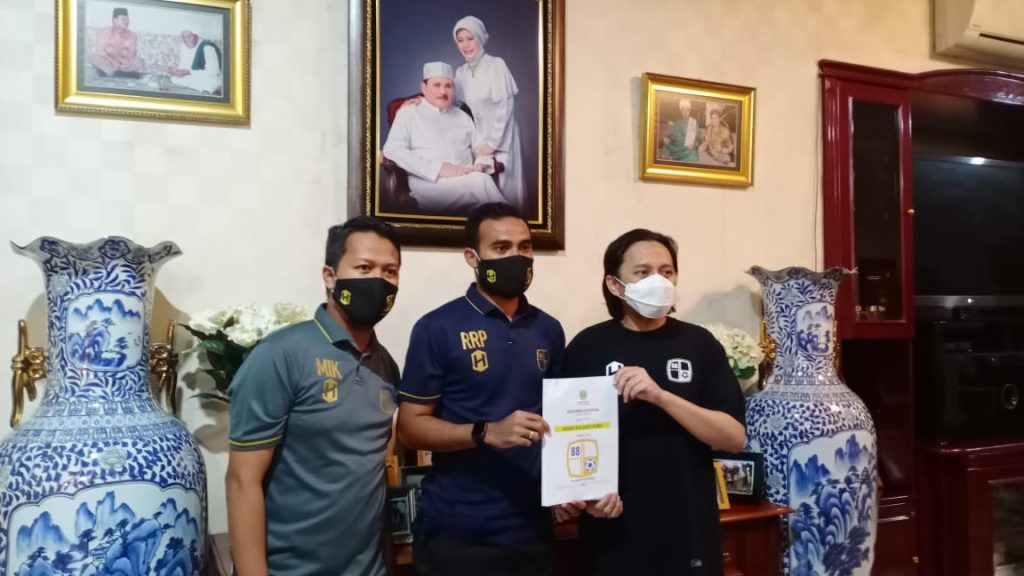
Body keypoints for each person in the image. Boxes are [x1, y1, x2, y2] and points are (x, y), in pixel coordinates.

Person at [397, 203, 614, 576]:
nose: (516, 256)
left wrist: (569, 490)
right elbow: (410, 427)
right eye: (501, 247)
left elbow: (560, 423)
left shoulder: (548, 329)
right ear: (472, 257)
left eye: (524, 247)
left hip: (532, 529)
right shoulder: (436, 327)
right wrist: (486, 432)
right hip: (457, 532)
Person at [562, 229, 747, 576]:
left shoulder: (700, 344)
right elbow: (566, 437)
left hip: (686, 525)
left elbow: (733, 438)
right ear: (615, 284)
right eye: (643, 272)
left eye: (667, 271)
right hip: (612, 527)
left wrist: (660, 396)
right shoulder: (587, 347)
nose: (658, 281)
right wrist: (583, 498)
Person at [226, 216, 403, 576]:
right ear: (330, 276)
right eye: (364, 268)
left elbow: (373, 477)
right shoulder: (280, 355)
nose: (379, 281)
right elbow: (242, 481)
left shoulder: (386, 365)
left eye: (390, 271)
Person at [383, 62, 506, 214]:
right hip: (430, 182)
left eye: (448, 86)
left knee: (480, 185)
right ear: (424, 88)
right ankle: (508, 220)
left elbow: (480, 147)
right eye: (437, 85)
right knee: (481, 184)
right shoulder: (409, 112)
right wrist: (438, 169)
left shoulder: (462, 116)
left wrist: (480, 164)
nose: (443, 91)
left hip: (467, 175)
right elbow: (393, 149)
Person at [452, 16, 527, 214]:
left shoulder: (496, 65)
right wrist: (419, 102)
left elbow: (506, 106)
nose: (465, 45)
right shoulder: (460, 73)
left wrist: (494, 142)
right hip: (479, 138)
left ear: (480, 38)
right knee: (483, 192)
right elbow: (453, 105)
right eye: (460, 40)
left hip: (503, 134)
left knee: (507, 191)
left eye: (470, 38)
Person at [89, 7, 144, 79]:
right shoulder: (104, 32)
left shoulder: (132, 35)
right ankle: (120, 74)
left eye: (127, 20)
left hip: (124, 65)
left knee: (139, 61)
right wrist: (113, 62)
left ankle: (110, 73)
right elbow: (100, 51)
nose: (126, 22)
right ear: (114, 20)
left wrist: (123, 63)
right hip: (108, 62)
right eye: (123, 19)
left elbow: (132, 54)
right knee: (94, 58)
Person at [169, 30, 222, 95]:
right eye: (183, 37)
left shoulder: (207, 47)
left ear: (196, 36)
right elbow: (183, 66)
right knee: (174, 78)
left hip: (210, 79)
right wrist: (177, 71)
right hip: (194, 77)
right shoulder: (183, 46)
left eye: (189, 36)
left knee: (210, 85)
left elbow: (214, 73)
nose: (186, 40)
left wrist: (189, 72)